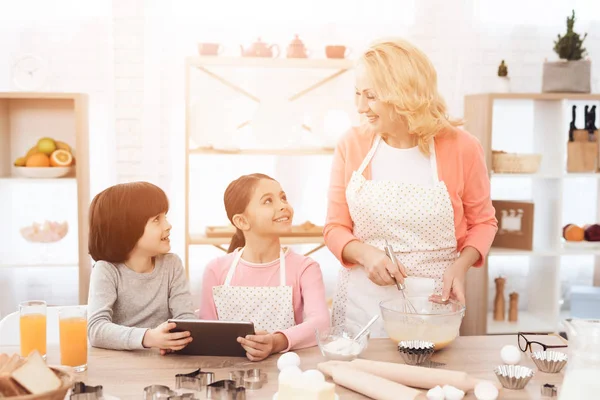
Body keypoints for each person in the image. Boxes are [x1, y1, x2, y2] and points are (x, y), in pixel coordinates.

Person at [324, 38, 498, 337]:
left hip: (432, 302)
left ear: (403, 95)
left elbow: (483, 222)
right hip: (362, 302)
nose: (360, 106)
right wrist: (366, 255)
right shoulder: (351, 144)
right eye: (357, 94)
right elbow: (334, 228)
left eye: (371, 96)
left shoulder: (462, 147)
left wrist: (460, 266)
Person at [199, 173, 330, 361]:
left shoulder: (305, 268)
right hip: (230, 374)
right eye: (268, 201)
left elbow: (321, 324)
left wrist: (276, 342)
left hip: (287, 372)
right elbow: (207, 332)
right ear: (242, 221)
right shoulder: (216, 270)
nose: (283, 205)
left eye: (283, 197)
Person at [87, 182, 196, 354]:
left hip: (163, 364)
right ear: (126, 229)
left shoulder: (172, 264)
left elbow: (186, 318)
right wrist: (149, 338)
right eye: (156, 219)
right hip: (119, 366)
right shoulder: (106, 270)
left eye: (165, 216)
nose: (168, 225)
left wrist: (177, 339)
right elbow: (96, 330)